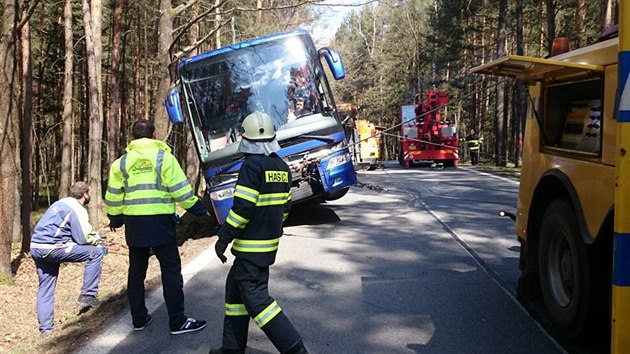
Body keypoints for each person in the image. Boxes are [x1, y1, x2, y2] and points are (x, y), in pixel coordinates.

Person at [209, 112, 308, 354]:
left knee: (257, 300)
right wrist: (269, 228)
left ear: (245, 138)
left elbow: (242, 209)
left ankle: (295, 350)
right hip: (266, 247)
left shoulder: (251, 167)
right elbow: (286, 207)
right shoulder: (282, 167)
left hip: (250, 249)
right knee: (235, 293)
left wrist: (224, 237)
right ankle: (231, 348)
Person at [105, 119, 208, 335]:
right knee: (170, 272)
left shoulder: (121, 163)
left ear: (133, 136)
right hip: (161, 223)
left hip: (135, 225)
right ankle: (177, 321)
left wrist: (115, 219)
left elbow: (114, 195)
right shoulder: (164, 157)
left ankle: (139, 319)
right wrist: (198, 209)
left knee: (136, 272)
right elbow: (180, 189)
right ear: (153, 134)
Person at [30, 181, 104, 334]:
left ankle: (46, 330)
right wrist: (96, 239)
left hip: (37, 247)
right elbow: (83, 238)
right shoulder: (77, 208)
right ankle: (88, 295)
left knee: (45, 287)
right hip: (52, 248)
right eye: (89, 192)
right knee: (95, 253)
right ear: (85, 194)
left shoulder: (60, 204)